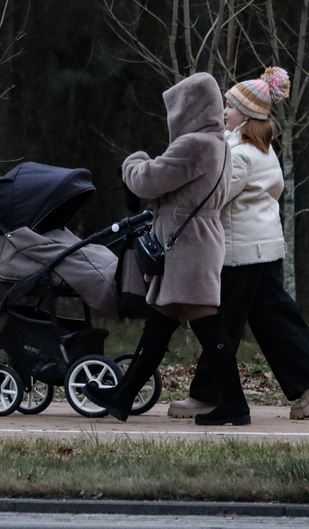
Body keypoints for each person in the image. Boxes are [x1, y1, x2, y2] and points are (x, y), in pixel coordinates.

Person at [167, 67, 309, 421]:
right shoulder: (264, 151)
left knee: (221, 324)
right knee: (274, 320)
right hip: (265, 249)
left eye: (228, 107)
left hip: (240, 254)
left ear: (245, 114)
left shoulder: (238, 153)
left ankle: (210, 394)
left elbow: (214, 197)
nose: (223, 113)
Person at [84, 72, 251, 426]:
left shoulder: (195, 145)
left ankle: (235, 404)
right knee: (159, 326)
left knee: (209, 328)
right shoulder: (218, 144)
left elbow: (148, 181)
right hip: (195, 241)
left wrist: (134, 160)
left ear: (188, 108)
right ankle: (123, 397)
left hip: (187, 246)